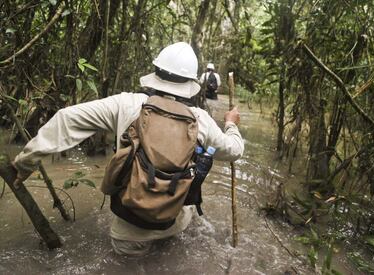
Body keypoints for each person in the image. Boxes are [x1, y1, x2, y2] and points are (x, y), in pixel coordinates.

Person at [12, 42, 244, 256]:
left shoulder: (126, 104)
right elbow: (234, 150)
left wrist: (25, 164)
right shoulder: (200, 119)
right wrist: (231, 123)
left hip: (129, 233)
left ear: (156, 73)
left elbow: (66, 119)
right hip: (175, 224)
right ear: (190, 84)